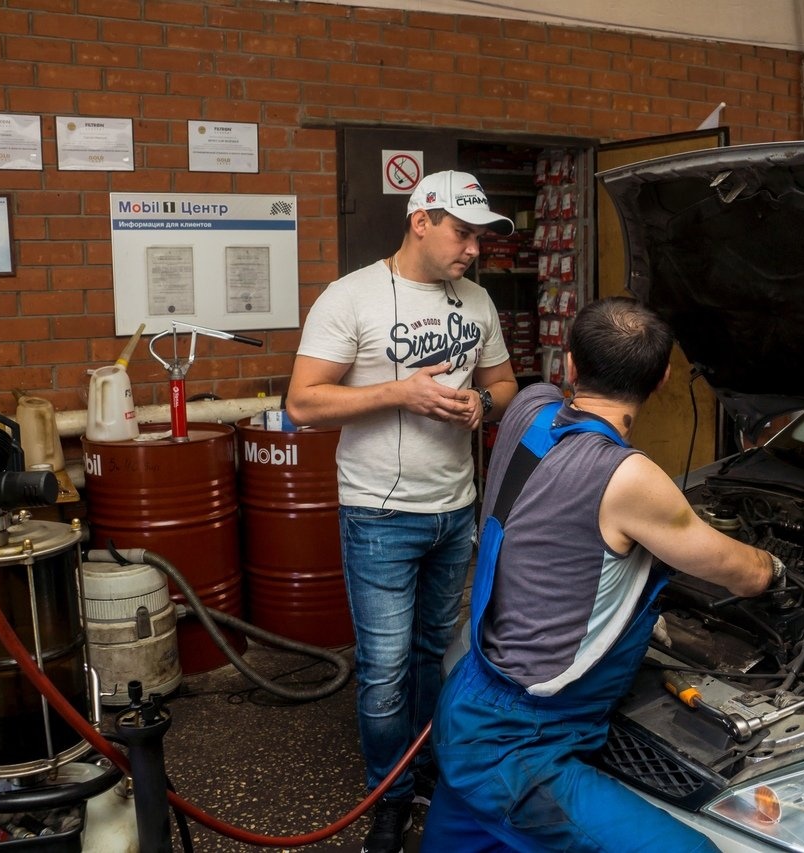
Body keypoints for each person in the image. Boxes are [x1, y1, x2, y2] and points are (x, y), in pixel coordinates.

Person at [420, 296, 784, 852]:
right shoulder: (628, 478)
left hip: (472, 699)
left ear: (567, 365)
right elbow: (743, 576)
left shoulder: (529, 409)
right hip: (518, 747)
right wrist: (776, 565)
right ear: (663, 379)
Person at [286, 170, 520, 853]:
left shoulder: (477, 301)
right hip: (379, 515)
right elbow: (303, 403)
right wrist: (399, 394)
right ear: (421, 219)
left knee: (433, 657)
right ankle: (387, 792)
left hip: (456, 509)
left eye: (480, 237)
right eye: (462, 232)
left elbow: (504, 381)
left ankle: (422, 772)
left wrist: (487, 403)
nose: (473, 249)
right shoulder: (350, 296)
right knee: (385, 670)